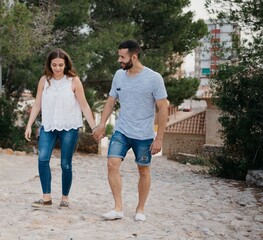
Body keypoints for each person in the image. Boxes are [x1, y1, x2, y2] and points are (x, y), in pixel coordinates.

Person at [93, 40, 168, 221]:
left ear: (134, 56)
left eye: (122, 57)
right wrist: (102, 123)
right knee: (112, 165)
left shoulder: (154, 78)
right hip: (122, 130)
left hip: (144, 134)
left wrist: (159, 139)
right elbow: (111, 101)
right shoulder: (119, 75)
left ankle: (140, 209)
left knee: (143, 170)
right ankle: (118, 207)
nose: (119, 60)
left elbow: (163, 108)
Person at [25, 48, 96, 208]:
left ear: (66, 65)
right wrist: (29, 124)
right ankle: (46, 197)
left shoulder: (74, 81)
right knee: (42, 159)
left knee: (66, 164)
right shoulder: (44, 80)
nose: (57, 68)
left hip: (69, 127)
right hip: (48, 126)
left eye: (60, 65)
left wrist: (94, 127)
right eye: (54, 65)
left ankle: (65, 198)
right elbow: (37, 104)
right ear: (49, 65)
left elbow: (84, 105)